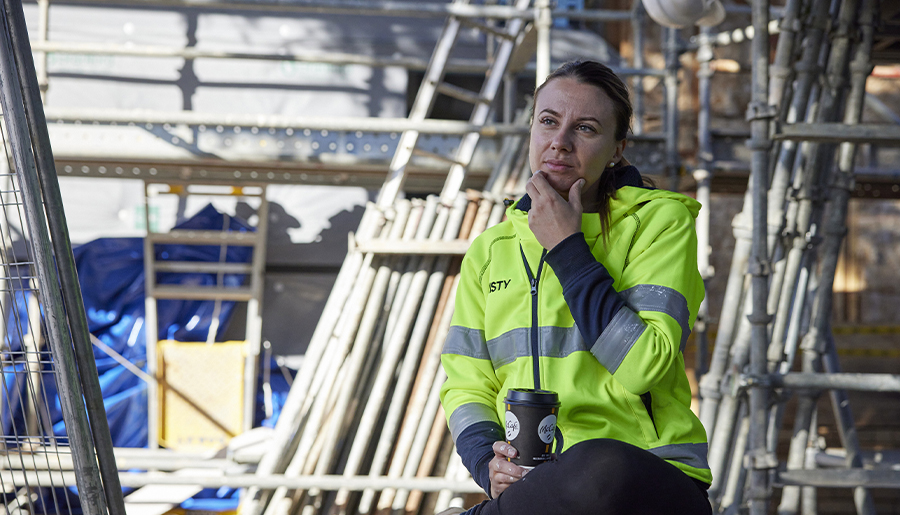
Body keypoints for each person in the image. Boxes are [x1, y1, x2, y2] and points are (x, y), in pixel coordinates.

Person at [439, 60, 712, 514]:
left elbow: (645, 367)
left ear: (617, 149)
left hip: (647, 478)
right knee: (573, 476)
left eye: (585, 128)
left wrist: (567, 248)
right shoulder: (491, 250)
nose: (560, 142)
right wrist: (487, 461)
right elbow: (466, 385)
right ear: (531, 130)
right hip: (545, 489)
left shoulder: (660, 223)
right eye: (548, 121)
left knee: (600, 464)